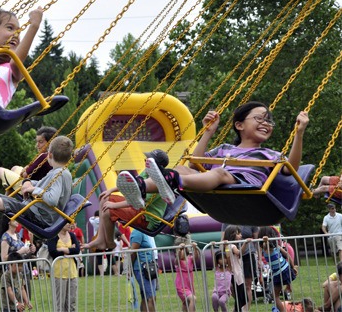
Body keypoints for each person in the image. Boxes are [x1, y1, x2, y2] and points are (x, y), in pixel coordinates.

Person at [116, 103, 309, 209]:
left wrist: (299, 133)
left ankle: (170, 180)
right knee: (182, 169)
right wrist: (207, 132)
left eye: (269, 121)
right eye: (259, 118)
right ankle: (142, 187)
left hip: (244, 188)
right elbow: (195, 164)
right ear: (239, 125)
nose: (266, 123)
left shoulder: (269, 154)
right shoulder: (225, 149)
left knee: (220, 174)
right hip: (217, 185)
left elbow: (290, 167)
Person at [83, 150, 170, 251]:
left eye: (147, 161)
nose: (145, 162)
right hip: (138, 207)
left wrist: (114, 205)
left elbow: (138, 202)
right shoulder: (147, 173)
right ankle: (101, 239)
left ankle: (110, 243)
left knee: (107, 210)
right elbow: (131, 185)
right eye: (145, 160)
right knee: (104, 198)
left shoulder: (157, 183)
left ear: (155, 165)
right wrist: (110, 190)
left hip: (146, 217)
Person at [0, 126, 57, 202]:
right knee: (15, 168)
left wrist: (26, 168)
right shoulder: (55, 157)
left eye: (41, 142)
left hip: (30, 187)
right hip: (36, 184)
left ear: (50, 142)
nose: (37, 145)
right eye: (37, 142)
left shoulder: (44, 156)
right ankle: (7, 198)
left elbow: (25, 174)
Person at [221, 224, 260, 310]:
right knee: (241, 297)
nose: (241, 235)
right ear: (233, 235)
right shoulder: (232, 246)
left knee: (240, 296)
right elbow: (239, 253)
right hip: (237, 274)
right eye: (238, 234)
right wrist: (245, 243)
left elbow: (228, 255)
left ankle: (239, 309)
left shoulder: (228, 246)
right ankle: (238, 309)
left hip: (235, 272)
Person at [260, 226, 297, 312]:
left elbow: (267, 245)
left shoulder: (268, 247)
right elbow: (287, 255)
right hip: (285, 268)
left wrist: (266, 241)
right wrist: (292, 266)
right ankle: (288, 286)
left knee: (274, 295)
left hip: (280, 271)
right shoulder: (276, 246)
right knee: (275, 292)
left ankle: (283, 310)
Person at [48, 222, 80, 312]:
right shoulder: (53, 236)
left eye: (71, 222)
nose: (70, 224)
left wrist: (62, 249)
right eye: (68, 222)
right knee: (60, 304)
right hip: (59, 273)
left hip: (72, 272)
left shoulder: (72, 235)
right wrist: (70, 250)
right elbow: (53, 252)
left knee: (72, 303)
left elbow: (77, 250)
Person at [129, 228, 158, 312]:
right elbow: (133, 252)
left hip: (148, 268)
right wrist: (130, 269)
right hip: (142, 269)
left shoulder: (144, 232)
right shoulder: (137, 232)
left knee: (146, 297)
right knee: (151, 298)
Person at [175, 242, 200, 312]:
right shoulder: (178, 261)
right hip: (181, 286)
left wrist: (195, 248)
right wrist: (179, 249)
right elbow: (178, 257)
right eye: (180, 251)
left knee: (186, 303)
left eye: (182, 250)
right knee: (193, 299)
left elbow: (196, 257)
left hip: (189, 286)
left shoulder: (190, 259)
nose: (180, 252)